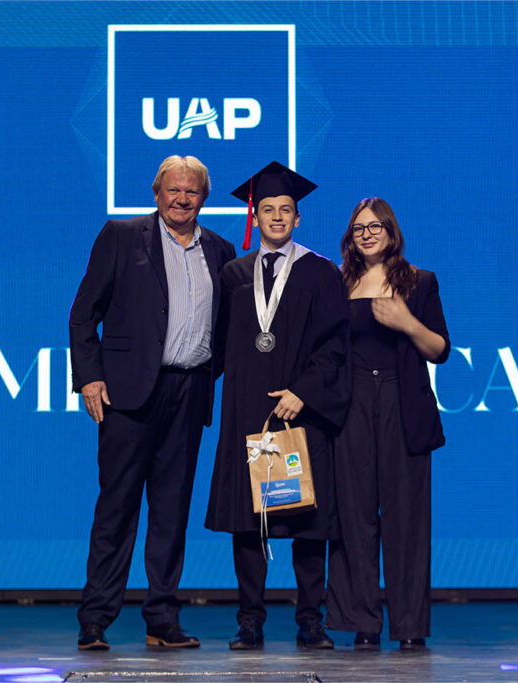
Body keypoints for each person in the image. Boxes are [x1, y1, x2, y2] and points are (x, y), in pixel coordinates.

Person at [68, 155, 236, 650]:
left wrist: (203, 372)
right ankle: (95, 619)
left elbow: (226, 329)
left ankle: (162, 619)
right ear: (156, 193)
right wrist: (90, 378)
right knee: (117, 508)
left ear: (204, 198)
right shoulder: (122, 236)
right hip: (128, 395)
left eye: (191, 191)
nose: (182, 199)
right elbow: (83, 314)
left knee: (171, 512)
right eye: (173, 190)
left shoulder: (220, 250)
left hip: (188, 393)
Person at [205, 161, 350, 651]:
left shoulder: (321, 272)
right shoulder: (234, 274)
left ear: (297, 218)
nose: (277, 217)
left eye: (286, 209)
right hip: (247, 414)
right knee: (250, 524)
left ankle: (311, 620)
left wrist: (303, 391)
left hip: (302, 414)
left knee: (309, 521)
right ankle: (250, 621)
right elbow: (217, 345)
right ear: (255, 216)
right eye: (267, 209)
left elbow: (335, 344)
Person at [324, 197, 449, 652]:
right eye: (359, 228)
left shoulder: (419, 281)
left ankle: (410, 625)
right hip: (352, 402)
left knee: (406, 516)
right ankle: (362, 621)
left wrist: (406, 321)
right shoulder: (337, 282)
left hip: (402, 400)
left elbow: (439, 349)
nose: (368, 234)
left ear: (391, 231)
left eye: (376, 226)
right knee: (354, 515)